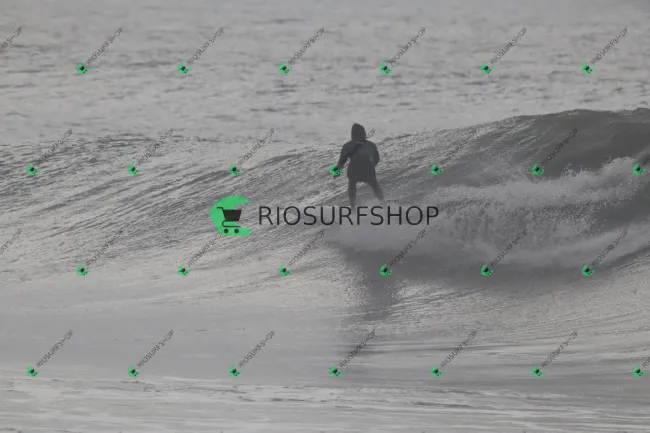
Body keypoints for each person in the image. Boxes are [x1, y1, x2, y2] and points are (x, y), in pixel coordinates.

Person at [333, 123, 384, 210]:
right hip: (368, 170)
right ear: (363, 133)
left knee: (351, 184)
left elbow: (341, 162)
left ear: (352, 134)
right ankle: (383, 203)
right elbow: (377, 159)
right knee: (375, 185)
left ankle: (353, 208)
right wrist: (371, 166)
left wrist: (336, 173)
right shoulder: (371, 145)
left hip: (353, 171)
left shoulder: (347, 146)